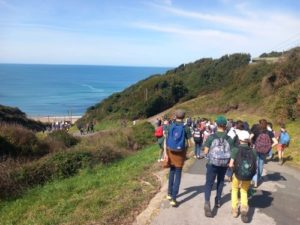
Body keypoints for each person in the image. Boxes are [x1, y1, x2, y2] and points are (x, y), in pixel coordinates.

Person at [203, 115, 234, 217]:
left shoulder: (211, 137)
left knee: (209, 183)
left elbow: (206, 151)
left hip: (212, 164)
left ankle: (207, 201)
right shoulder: (229, 139)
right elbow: (233, 152)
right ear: (225, 125)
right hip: (224, 164)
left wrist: (208, 153)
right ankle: (218, 200)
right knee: (220, 182)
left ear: (216, 125)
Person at [229, 130, 257, 223]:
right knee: (244, 191)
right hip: (248, 175)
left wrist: (233, 171)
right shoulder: (253, 151)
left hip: (237, 174)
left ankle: (234, 210)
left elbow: (231, 164)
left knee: (234, 189)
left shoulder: (235, 150)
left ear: (239, 139)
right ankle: (244, 208)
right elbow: (254, 164)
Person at [166, 109, 192, 207]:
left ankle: (169, 194)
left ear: (175, 116)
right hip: (180, 153)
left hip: (171, 151)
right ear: (184, 117)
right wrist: (187, 151)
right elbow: (190, 142)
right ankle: (174, 198)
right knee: (178, 174)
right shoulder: (186, 127)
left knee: (172, 172)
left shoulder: (171, 125)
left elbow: (167, 139)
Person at [250, 119, 278, 187]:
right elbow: (276, 142)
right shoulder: (269, 132)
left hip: (256, 149)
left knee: (255, 165)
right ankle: (258, 179)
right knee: (261, 164)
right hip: (264, 151)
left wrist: (252, 144)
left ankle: (254, 180)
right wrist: (269, 147)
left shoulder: (256, 130)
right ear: (266, 125)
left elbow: (249, 138)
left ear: (260, 124)